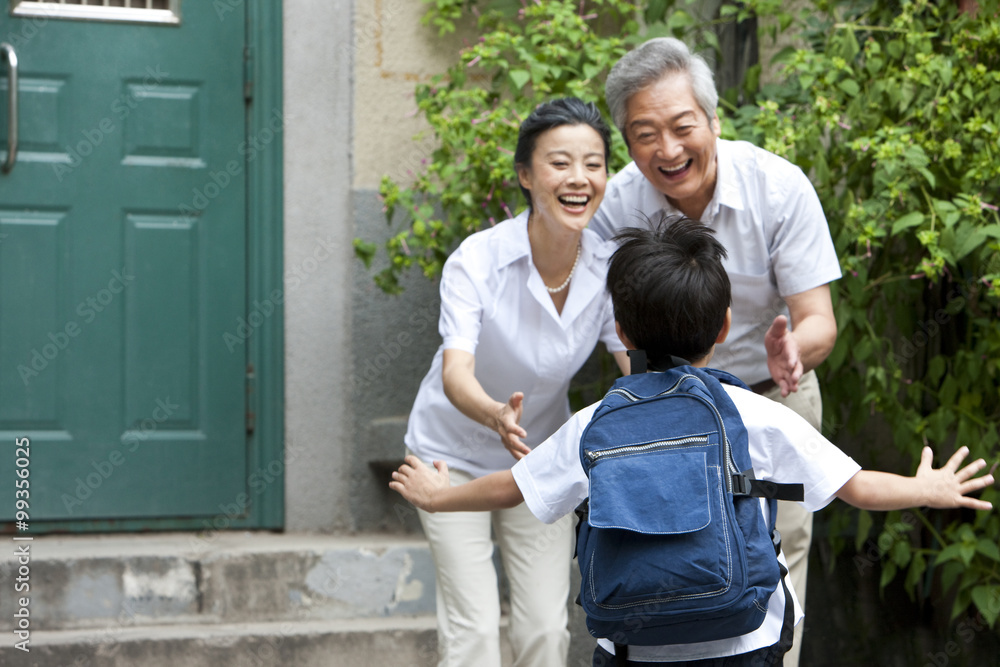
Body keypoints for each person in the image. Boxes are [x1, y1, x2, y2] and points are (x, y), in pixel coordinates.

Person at [390, 218, 995, 666]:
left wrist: (441, 497)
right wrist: (926, 487)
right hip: (742, 639)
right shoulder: (751, 412)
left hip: (632, 643)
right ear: (724, 326)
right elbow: (856, 487)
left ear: (621, 329)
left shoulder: (597, 420)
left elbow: (512, 487)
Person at [590, 37, 841, 666]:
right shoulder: (617, 203)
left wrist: (793, 353)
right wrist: (646, 397)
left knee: (778, 562)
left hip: (770, 391)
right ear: (626, 142)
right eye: (645, 134)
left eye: (682, 127)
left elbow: (817, 321)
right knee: (666, 553)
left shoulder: (777, 188)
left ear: (713, 120)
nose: (668, 150)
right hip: (662, 400)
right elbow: (615, 324)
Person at [403, 97, 630, 667]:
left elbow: (635, 364)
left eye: (593, 163)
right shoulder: (477, 261)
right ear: (526, 176)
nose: (579, 178)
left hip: (539, 459)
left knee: (545, 635)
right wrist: (494, 414)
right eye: (560, 163)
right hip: (446, 458)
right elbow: (456, 372)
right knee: (474, 634)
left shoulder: (606, 269)